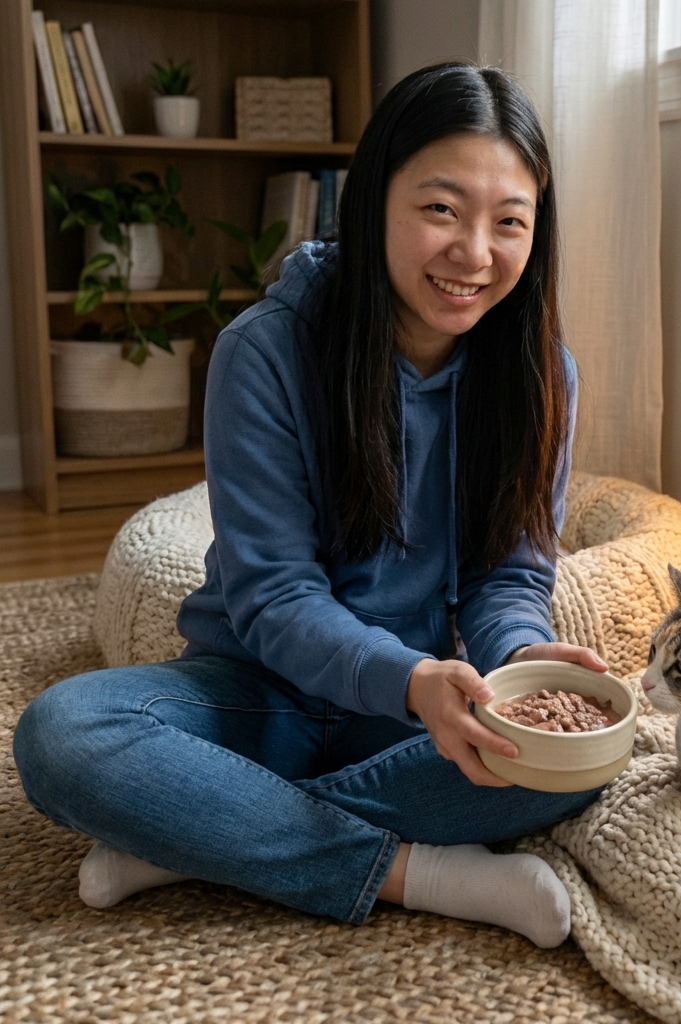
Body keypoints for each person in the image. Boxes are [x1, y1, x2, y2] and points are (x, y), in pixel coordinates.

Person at [13, 63, 608, 949]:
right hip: (258, 696)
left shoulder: (538, 375)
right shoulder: (265, 352)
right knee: (63, 735)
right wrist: (410, 679)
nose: (475, 253)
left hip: (406, 714)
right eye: (441, 209)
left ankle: (200, 836)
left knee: (585, 759)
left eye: (509, 223)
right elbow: (274, 597)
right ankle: (417, 872)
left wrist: (520, 668)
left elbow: (508, 575)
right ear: (373, 200)